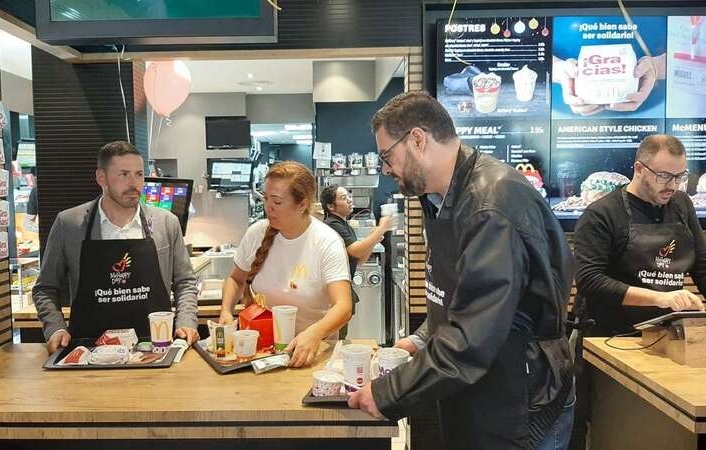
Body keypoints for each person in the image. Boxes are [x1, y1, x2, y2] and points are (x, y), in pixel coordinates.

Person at [348, 91, 575, 450]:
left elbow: (474, 335)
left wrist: (389, 391)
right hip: (478, 386)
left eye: (386, 156)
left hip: (519, 395)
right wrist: (421, 339)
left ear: (418, 139)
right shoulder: (439, 198)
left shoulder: (491, 205)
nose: (385, 169)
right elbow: (459, 294)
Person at [569, 135, 705, 450]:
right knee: (611, 429)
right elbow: (590, 279)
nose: (672, 185)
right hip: (609, 342)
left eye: (680, 177)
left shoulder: (682, 206)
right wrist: (659, 297)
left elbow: (702, 266)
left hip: (667, 344)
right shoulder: (602, 213)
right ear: (639, 169)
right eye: (664, 176)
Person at [33, 141, 199, 353]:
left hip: (156, 348)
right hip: (89, 351)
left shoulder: (166, 223)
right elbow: (45, 288)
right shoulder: (69, 224)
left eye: (139, 174)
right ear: (101, 177)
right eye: (123, 174)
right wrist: (55, 328)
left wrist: (186, 321)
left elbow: (185, 282)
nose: (134, 183)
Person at [218, 161, 352, 368]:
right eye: (265, 199)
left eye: (277, 202)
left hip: (311, 354)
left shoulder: (326, 241)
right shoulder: (257, 233)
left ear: (302, 204)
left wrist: (315, 333)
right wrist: (226, 311)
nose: (268, 207)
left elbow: (343, 306)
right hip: (262, 353)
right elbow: (236, 279)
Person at [320, 185, 394, 337]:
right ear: (331, 206)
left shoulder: (344, 224)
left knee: (339, 336)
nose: (349, 200)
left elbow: (359, 259)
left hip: (344, 291)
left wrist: (373, 240)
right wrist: (381, 228)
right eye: (343, 198)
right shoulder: (333, 224)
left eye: (348, 196)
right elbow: (355, 249)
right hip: (332, 296)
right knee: (333, 339)